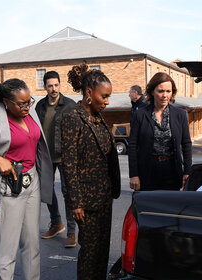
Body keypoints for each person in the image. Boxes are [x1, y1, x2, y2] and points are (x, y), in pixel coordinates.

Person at [0, 79, 53, 280]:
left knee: (32, 245)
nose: (26, 107)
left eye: (29, 101)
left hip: (32, 182)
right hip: (9, 187)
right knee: (7, 250)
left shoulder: (30, 113)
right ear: (6, 102)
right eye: (21, 104)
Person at [62, 63, 121, 279]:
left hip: (105, 198)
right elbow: (69, 164)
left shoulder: (99, 119)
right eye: (104, 96)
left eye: (108, 97)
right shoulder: (72, 118)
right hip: (85, 202)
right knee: (90, 252)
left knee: (103, 251)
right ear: (89, 93)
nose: (107, 101)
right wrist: (75, 202)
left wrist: (113, 191)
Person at [129, 72, 192, 191]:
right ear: (152, 92)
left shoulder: (180, 114)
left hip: (172, 171)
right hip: (147, 171)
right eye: (160, 91)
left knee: (169, 207)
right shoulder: (140, 114)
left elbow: (186, 144)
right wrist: (134, 174)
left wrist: (187, 171)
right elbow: (132, 146)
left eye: (168, 91)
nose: (165, 95)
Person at [35, 71, 77, 247]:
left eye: (56, 85)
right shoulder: (39, 106)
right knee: (47, 191)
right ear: (45, 87)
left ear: (60, 85)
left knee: (68, 193)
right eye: (50, 85)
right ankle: (56, 223)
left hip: (65, 157)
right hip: (45, 156)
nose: (53, 89)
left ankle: (71, 232)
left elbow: (77, 132)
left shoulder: (70, 105)